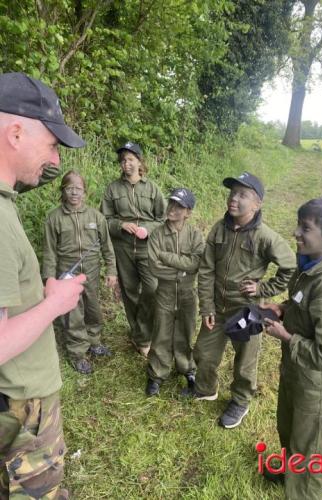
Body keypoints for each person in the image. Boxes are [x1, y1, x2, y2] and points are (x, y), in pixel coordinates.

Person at [0, 72, 86, 499]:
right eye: (51, 144)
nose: (54, 159)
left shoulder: (6, 201)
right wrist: (55, 302)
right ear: (16, 132)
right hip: (20, 407)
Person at [184, 172, 296, 429]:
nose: (233, 199)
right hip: (218, 306)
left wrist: (264, 287)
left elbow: (289, 266)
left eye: (242, 195)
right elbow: (206, 270)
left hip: (246, 310)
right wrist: (207, 306)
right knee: (203, 352)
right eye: (232, 193)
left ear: (257, 204)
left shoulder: (265, 236)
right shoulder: (218, 228)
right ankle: (205, 388)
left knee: (245, 360)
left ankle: (240, 401)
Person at [263, 198, 322, 499]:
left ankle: (304, 492)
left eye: (305, 228)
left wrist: (287, 337)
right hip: (295, 371)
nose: (295, 233)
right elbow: (304, 308)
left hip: (315, 385)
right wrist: (283, 307)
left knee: (311, 446)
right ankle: (290, 472)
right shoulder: (308, 267)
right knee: (289, 427)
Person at [42, 170, 118, 375]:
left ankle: (94, 341)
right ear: (63, 191)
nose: (74, 193)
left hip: (92, 271)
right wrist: (49, 278)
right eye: (69, 188)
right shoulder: (54, 218)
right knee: (73, 313)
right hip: (67, 273)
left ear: (85, 192)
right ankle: (78, 353)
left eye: (78, 189)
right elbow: (49, 253)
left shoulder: (96, 216)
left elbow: (107, 247)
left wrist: (111, 270)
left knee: (93, 308)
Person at [101, 142, 166, 357]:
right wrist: (120, 225)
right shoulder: (112, 189)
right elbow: (105, 220)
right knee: (129, 292)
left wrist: (147, 229)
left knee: (152, 288)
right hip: (124, 246)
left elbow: (163, 219)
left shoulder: (152, 188)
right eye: (122, 160)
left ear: (139, 161)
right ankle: (141, 338)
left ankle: (142, 329)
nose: (126, 164)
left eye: (130, 159)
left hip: (148, 246)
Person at [146, 188, 205, 396]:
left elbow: (197, 263)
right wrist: (181, 270)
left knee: (186, 331)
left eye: (179, 206)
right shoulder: (157, 235)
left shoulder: (195, 235)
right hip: (165, 292)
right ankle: (157, 374)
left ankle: (187, 369)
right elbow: (154, 266)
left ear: (188, 212)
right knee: (161, 332)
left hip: (188, 293)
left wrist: (167, 257)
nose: (172, 209)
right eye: (171, 203)